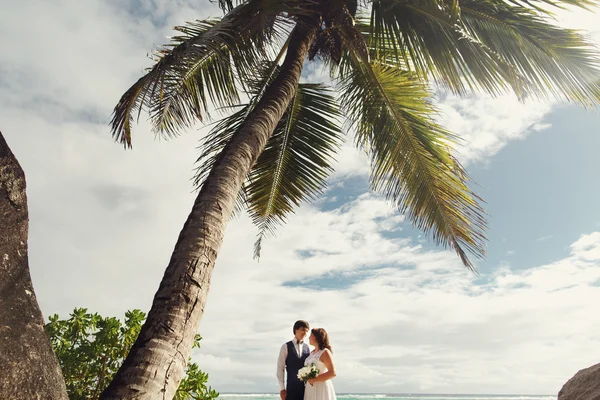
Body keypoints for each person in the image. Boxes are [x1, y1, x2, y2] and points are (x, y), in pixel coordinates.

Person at [277, 320, 311, 400]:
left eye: (306, 331)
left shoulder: (307, 348)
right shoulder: (285, 347)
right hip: (291, 389)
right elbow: (280, 368)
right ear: (296, 329)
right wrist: (282, 388)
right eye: (303, 330)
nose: (305, 333)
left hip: (305, 389)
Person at [304, 328, 336, 400]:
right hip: (310, 388)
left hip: (321, 387)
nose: (309, 337)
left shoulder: (325, 352)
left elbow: (332, 373)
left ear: (316, 337)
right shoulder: (311, 353)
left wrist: (314, 379)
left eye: (311, 335)